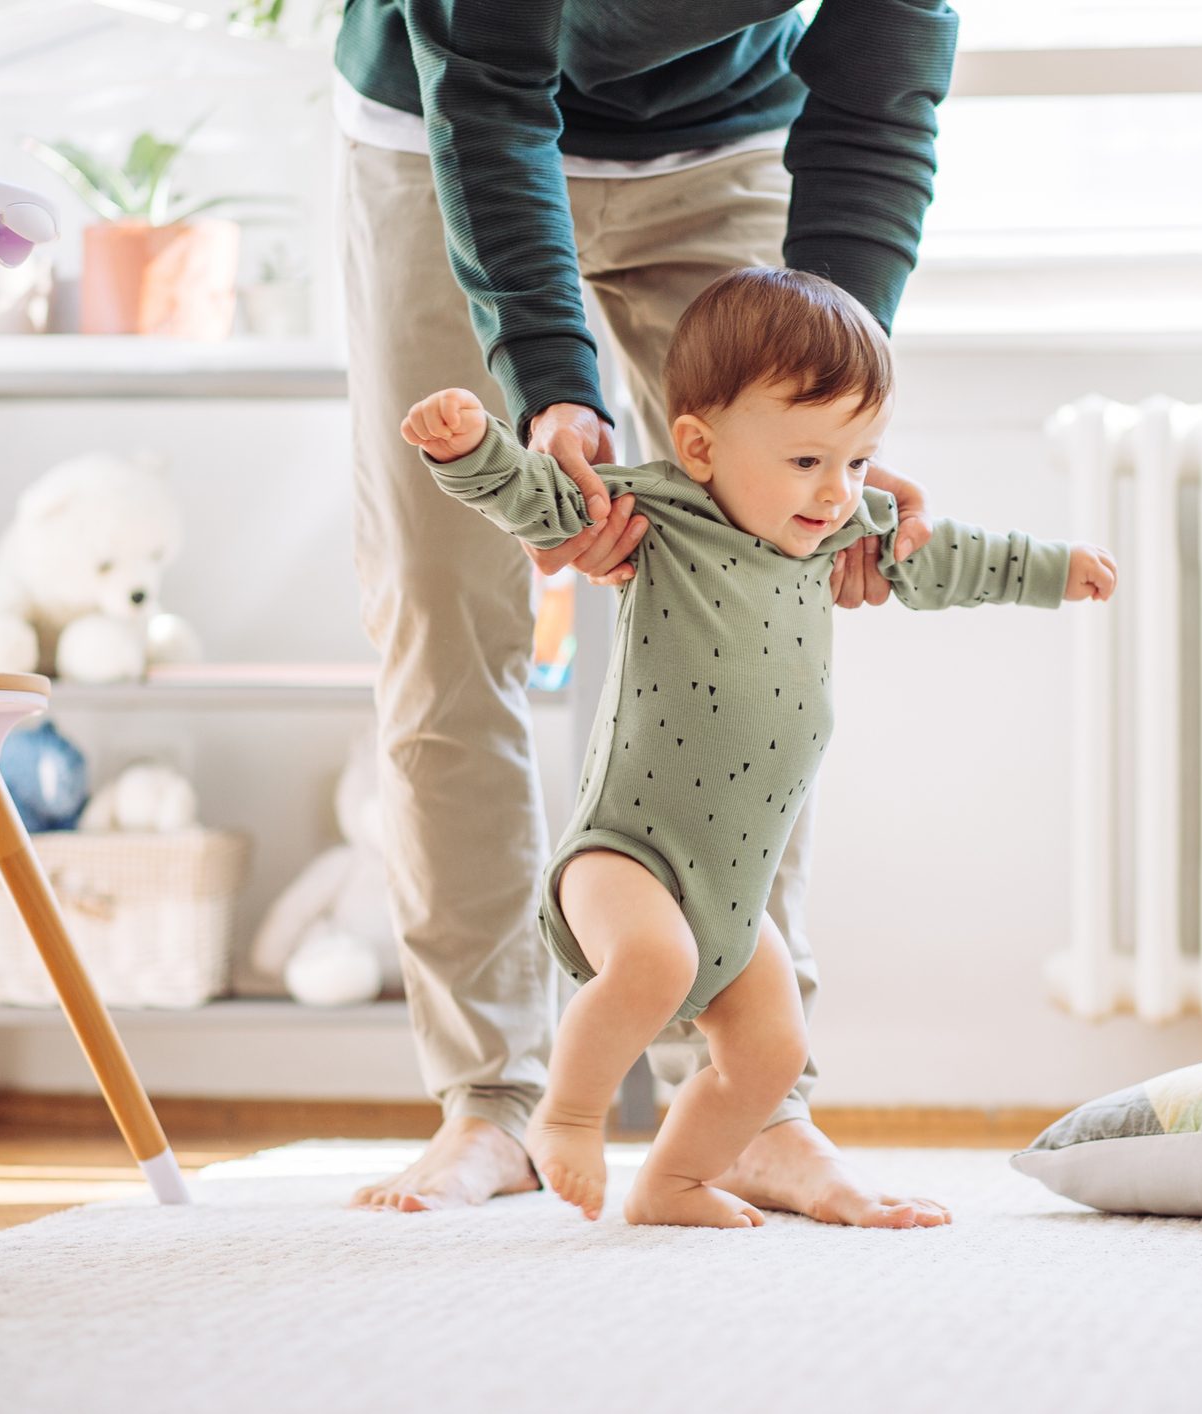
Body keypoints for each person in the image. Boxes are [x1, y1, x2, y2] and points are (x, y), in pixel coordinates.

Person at [334, 1, 966, 1223]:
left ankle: (753, 1110)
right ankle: (490, 1103)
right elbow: (488, 89)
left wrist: (829, 427)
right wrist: (548, 385)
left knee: (758, 617)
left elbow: (881, 100)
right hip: (445, 127)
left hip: (722, 139)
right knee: (441, 620)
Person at [404, 269, 1117, 1225]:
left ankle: (675, 1182)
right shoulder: (659, 514)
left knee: (771, 1054)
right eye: (808, 460)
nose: (837, 492)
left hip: (734, 894)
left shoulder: (837, 533)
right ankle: (564, 1118)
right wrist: (469, 449)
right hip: (626, 856)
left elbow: (946, 558)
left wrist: (1055, 570)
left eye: (859, 462)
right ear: (699, 446)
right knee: (653, 965)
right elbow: (541, 499)